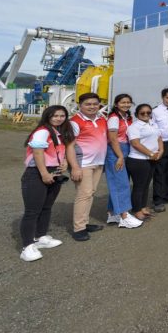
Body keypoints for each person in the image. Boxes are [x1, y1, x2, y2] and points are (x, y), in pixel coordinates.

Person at [19, 106, 77, 262]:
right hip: (36, 173)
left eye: (62, 115)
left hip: (54, 171)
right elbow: (38, 153)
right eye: (55, 116)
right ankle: (27, 246)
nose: (59, 118)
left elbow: (60, 151)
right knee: (32, 211)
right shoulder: (43, 131)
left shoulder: (59, 132)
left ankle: (40, 236)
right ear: (47, 116)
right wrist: (44, 173)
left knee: (46, 207)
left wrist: (64, 162)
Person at [69, 93, 108, 242]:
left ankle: (84, 223)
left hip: (98, 162)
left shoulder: (101, 119)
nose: (92, 107)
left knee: (90, 193)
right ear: (80, 105)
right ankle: (79, 228)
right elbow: (69, 146)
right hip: (83, 164)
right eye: (88, 104)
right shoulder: (75, 122)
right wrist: (74, 167)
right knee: (84, 194)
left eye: (95, 104)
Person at [104, 94, 142, 229]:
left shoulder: (127, 117)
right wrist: (119, 156)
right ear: (116, 104)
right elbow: (113, 139)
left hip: (125, 149)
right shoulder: (114, 118)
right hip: (115, 152)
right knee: (121, 184)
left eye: (128, 102)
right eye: (122, 102)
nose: (126, 105)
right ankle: (124, 216)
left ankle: (112, 213)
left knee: (117, 182)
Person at [126, 104, 163, 221]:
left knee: (146, 185)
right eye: (142, 113)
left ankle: (143, 207)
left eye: (148, 112)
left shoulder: (153, 124)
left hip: (152, 159)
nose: (146, 114)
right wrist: (151, 154)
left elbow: (159, 138)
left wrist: (161, 150)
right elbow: (135, 143)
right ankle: (136, 210)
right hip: (138, 160)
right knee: (139, 186)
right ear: (137, 114)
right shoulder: (134, 127)